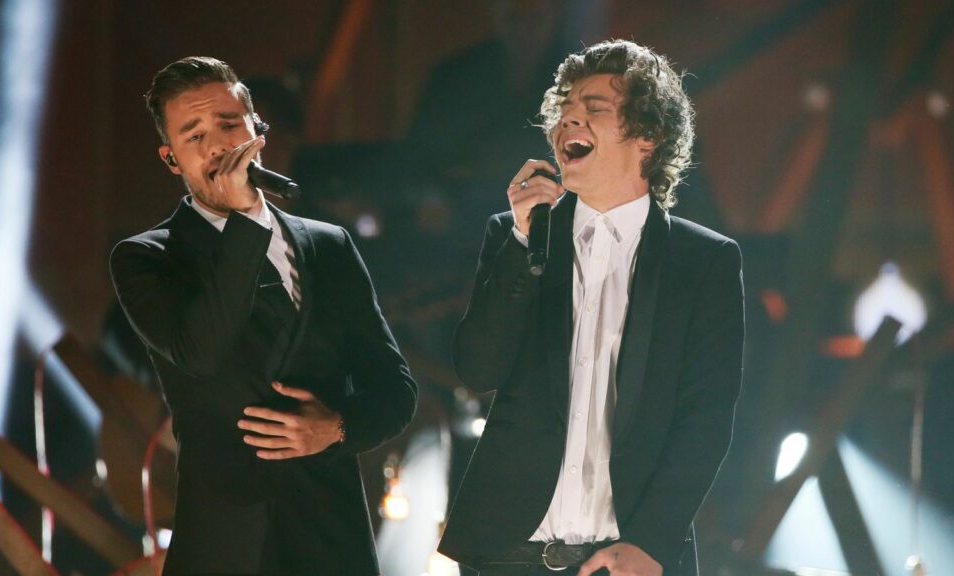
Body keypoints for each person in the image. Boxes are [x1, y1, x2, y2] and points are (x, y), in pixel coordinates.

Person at [438, 39, 745, 576]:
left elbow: (707, 417)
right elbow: (477, 368)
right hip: (509, 551)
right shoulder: (517, 235)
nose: (567, 124)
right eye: (565, 112)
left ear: (649, 136)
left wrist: (651, 543)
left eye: (593, 110)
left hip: (628, 557)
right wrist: (520, 243)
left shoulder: (704, 261)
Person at [110, 56, 417, 575]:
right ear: (171, 159)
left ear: (259, 132)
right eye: (194, 135)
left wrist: (337, 427)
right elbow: (200, 352)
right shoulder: (146, 257)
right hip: (225, 542)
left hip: (331, 535)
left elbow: (394, 388)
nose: (217, 146)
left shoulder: (329, 246)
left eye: (229, 125)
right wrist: (247, 222)